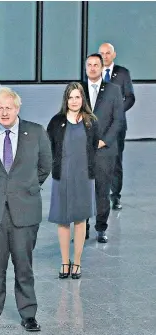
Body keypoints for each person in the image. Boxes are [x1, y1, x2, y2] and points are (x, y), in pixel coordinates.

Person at [0, 87, 51, 332]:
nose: (4, 112)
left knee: (24, 265)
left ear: (17, 109)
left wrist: (25, 187)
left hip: (25, 210)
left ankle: (29, 314)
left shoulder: (35, 132)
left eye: (8, 108)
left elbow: (45, 166)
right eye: (0, 108)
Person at [47, 83, 98, 280]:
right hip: (62, 177)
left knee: (80, 219)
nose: (74, 101)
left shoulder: (91, 121)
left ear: (82, 99)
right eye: (71, 97)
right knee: (62, 219)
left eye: (78, 97)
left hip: (84, 177)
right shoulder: (56, 121)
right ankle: (64, 261)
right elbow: (48, 145)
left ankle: (77, 262)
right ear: (66, 100)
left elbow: (94, 146)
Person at [83, 53, 125, 243]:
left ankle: (101, 228)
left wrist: (103, 141)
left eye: (95, 65)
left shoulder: (113, 90)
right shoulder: (78, 89)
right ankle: (82, 228)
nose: (92, 68)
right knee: (82, 190)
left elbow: (118, 120)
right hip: (81, 150)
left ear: (102, 68)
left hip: (104, 150)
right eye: (89, 65)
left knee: (102, 190)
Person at [99, 43, 135, 210]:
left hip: (117, 125)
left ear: (114, 55)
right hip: (97, 126)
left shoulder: (122, 73)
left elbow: (130, 97)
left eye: (108, 53)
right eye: (102, 53)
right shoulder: (94, 72)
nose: (104, 56)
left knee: (115, 160)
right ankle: (98, 195)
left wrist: (118, 112)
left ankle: (115, 196)